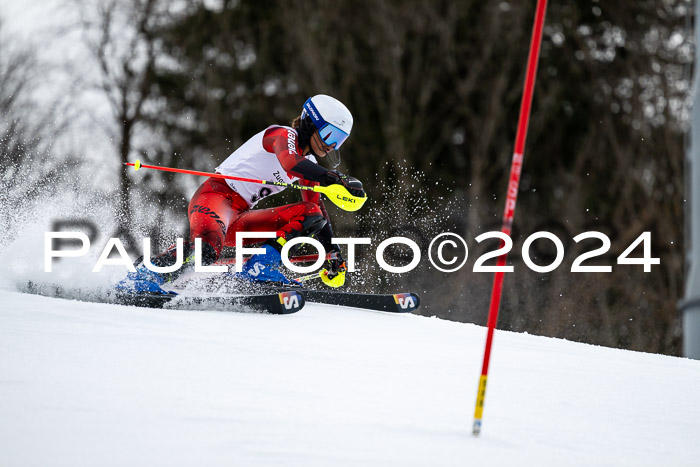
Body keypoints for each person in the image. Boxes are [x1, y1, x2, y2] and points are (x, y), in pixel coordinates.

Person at [117, 94, 365, 294]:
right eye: (329, 135)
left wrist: (333, 254)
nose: (331, 145)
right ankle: (143, 277)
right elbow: (290, 162)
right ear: (311, 123)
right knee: (205, 250)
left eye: (340, 140)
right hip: (216, 197)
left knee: (311, 212)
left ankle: (260, 267)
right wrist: (336, 178)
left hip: (240, 217)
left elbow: (316, 210)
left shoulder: (309, 164)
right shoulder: (281, 135)